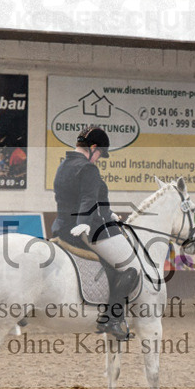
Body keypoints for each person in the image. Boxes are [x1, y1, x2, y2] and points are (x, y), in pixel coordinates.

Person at [52, 126, 139, 341]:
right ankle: (113, 319)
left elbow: (79, 198)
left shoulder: (64, 164)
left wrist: (110, 214)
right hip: (86, 229)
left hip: (61, 227)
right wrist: (83, 222)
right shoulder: (88, 169)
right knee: (130, 268)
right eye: (100, 153)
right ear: (93, 148)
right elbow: (87, 200)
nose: (99, 159)